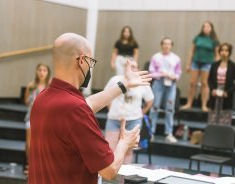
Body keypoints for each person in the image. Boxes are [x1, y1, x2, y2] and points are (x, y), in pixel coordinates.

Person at [28, 33, 152, 184]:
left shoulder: (42, 98)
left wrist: (124, 85)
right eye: (90, 61)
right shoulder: (75, 109)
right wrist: (124, 142)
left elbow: (89, 104)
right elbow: (110, 170)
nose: (90, 68)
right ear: (81, 60)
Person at [105, 61, 154, 164]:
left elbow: (150, 100)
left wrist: (143, 112)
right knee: (109, 149)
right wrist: (111, 109)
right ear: (124, 68)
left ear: (138, 69)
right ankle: (109, 177)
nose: (131, 69)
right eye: (129, 66)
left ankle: (124, 177)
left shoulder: (142, 82)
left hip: (133, 120)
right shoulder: (115, 80)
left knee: (127, 151)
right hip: (114, 119)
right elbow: (106, 96)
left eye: (134, 67)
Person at [149, 38, 182, 143]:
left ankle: (169, 133)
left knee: (170, 109)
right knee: (154, 107)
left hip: (171, 85)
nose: (167, 46)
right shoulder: (156, 57)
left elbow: (178, 72)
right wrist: (162, 74)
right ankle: (151, 132)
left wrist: (174, 76)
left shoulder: (176, 58)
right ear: (161, 45)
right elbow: (151, 72)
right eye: (164, 44)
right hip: (159, 83)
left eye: (169, 44)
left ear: (171, 45)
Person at [182, 21, 220, 112]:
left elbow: (217, 54)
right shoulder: (198, 38)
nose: (206, 28)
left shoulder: (214, 40)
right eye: (204, 27)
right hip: (196, 62)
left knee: (204, 83)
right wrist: (188, 64)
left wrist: (215, 66)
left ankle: (204, 105)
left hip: (207, 63)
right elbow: (192, 51)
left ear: (211, 28)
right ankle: (189, 103)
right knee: (192, 83)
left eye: (208, 27)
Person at [23, 63, 50, 174]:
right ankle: (29, 164)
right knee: (29, 142)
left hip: (44, 119)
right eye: (40, 70)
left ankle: (39, 166)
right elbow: (25, 101)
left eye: (44, 70)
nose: (42, 72)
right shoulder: (31, 85)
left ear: (48, 73)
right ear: (36, 71)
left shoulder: (50, 87)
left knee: (41, 143)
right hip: (31, 116)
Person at [208, 43, 235, 119]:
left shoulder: (233, 66)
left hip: (226, 93)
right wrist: (212, 89)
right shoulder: (214, 65)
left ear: (229, 52)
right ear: (219, 52)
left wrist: (228, 92)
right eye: (222, 50)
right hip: (215, 93)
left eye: (226, 50)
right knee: (213, 117)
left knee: (224, 117)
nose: (224, 52)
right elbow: (209, 79)